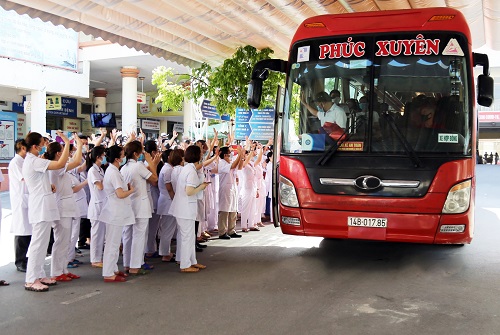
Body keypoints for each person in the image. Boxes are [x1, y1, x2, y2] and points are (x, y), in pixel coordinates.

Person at [23, 131, 70, 292]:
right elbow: (59, 164)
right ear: (35, 146)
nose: (45, 147)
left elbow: (39, 180)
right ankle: (31, 279)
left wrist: (48, 185)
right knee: (38, 243)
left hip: (44, 205)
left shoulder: (35, 161)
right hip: (40, 207)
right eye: (43, 144)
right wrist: (67, 144)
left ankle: (39, 274)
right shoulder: (33, 161)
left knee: (42, 243)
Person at [45, 137, 84, 282]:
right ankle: (56, 271)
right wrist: (77, 145)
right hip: (61, 208)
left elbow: (76, 162)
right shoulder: (56, 167)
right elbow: (76, 161)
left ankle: (63, 269)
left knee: (65, 241)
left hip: (67, 207)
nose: (66, 154)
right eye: (63, 152)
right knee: (60, 240)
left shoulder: (58, 167)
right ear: (57, 154)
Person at [168, 145, 209, 273]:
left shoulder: (188, 168)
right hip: (185, 208)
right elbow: (190, 191)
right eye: (201, 154)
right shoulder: (190, 171)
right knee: (187, 237)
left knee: (189, 237)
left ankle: (191, 261)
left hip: (184, 208)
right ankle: (185, 265)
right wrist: (202, 186)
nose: (202, 155)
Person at [121, 141, 159, 275]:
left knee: (127, 234)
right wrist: (152, 163)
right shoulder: (138, 166)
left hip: (128, 203)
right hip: (140, 204)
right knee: (138, 235)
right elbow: (154, 179)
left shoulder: (123, 167)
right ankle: (135, 265)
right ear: (136, 153)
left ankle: (127, 263)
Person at [99, 145, 135, 283]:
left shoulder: (114, 170)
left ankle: (112, 268)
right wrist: (132, 190)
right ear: (117, 158)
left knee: (114, 243)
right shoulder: (113, 172)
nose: (124, 156)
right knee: (112, 244)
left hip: (117, 211)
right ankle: (108, 273)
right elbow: (120, 194)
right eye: (122, 154)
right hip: (114, 211)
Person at [8, 139, 31, 273]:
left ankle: (25, 258)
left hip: (28, 200)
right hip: (20, 200)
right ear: (22, 148)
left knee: (28, 231)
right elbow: (25, 178)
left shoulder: (24, 161)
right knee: (21, 231)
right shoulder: (15, 162)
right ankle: (20, 261)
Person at [86, 146, 107, 268]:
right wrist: (108, 179)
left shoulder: (99, 170)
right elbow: (100, 186)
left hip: (102, 205)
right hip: (96, 206)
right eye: (103, 155)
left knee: (100, 234)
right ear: (98, 157)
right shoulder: (92, 171)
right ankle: (95, 259)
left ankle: (98, 257)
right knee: (96, 234)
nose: (104, 158)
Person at [217, 146, 244, 239]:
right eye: (230, 152)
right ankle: (222, 232)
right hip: (225, 189)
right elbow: (232, 166)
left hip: (232, 188)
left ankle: (231, 230)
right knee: (224, 211)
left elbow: (239, 167)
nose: (231, 154)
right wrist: (239, 155)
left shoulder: (230, 162)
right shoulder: (222, 163)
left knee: (233, 210)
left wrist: (242, 157)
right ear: (225, 155)